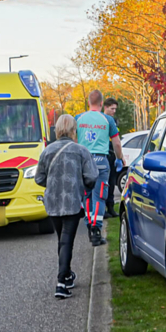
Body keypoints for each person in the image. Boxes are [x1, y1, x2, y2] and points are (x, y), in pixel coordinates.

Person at [35, 114, 100, 299]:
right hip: (72, 201)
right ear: (73, 130)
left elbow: (39, 178)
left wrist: (53, 183)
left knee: (62, 240)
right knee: (67, 240)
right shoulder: (81, 151)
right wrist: (83, 187)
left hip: (53, 202)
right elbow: (92, 176)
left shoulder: (47, 151)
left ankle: (67, 275)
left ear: (57, 130)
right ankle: (61, 282)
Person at [76, 89, 125, 246]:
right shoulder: (107, 120)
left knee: (87, 196)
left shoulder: (78, 118)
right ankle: (96, 231)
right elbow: (117, 143)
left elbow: (73, 141)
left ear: (88, 102)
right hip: (101, 161)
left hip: (84, 161)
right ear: (102, 103)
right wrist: (120, 158)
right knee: (99, 196)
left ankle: (89, 224)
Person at [102, 97, 122, 218]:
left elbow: (117, 139)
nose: (114, 111)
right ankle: (102, 208)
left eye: (115, 109)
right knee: (102, 183)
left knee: (111, 182)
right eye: (112, 108)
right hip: (104, 154)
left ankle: (110, 206)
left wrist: (119, 156)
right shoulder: (102, 120)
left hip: (112, 155)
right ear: (105, 107)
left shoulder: (113, 121)